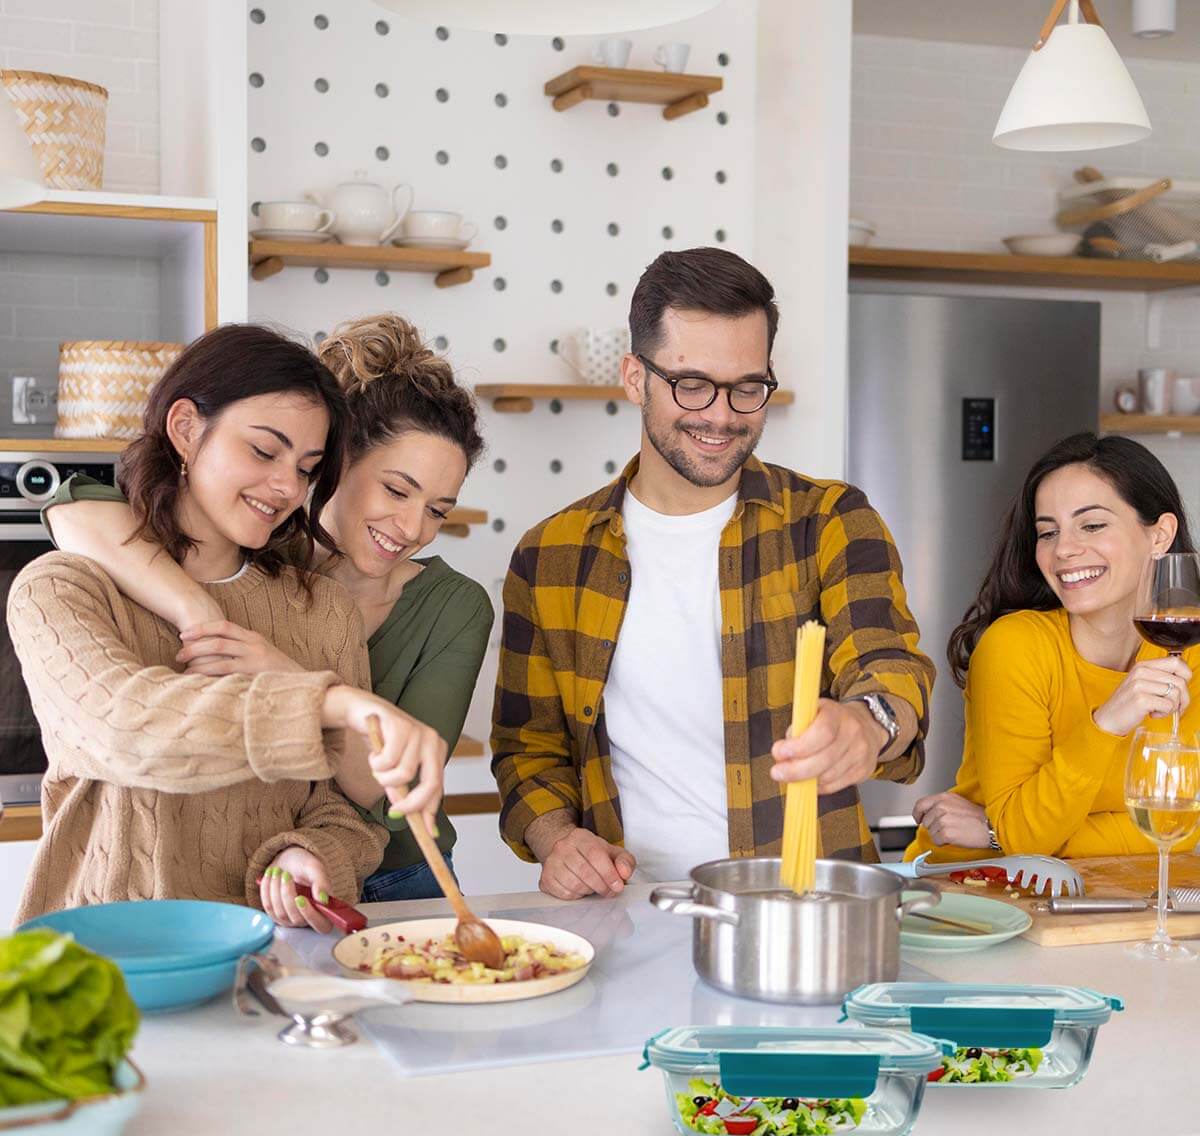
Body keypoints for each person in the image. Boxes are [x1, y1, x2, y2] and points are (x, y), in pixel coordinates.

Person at [492, 247, 935, 899]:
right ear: (635, 377)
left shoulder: (831, 520)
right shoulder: (550, 555)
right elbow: (528, 751)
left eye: (747, 387)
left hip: (805, 912)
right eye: (692, 384)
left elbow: (890, 664)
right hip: (628, 913)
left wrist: (869, 723)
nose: (722, 416)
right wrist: (557, 839)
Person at [40, 315, 492, 902]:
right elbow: (76, 504)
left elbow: (378, 792)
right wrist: (198, 610)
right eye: (396, 490)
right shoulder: (250, 553)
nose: (412, 528)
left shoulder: (444, 607)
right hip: (255, 874)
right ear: (334, 463)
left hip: (400, 871)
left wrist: (291, 678)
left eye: (438, 511)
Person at [909, 432, 1200, 861]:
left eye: (1093, 525)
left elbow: (1180, 827)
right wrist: (1107, 724)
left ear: (1160, 535)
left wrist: (993, 830)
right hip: (976, 896)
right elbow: (1026, 839)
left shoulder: (1187, 652)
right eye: (1047, 533)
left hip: (1120, 899)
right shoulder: (1015, 647)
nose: (1064, 549)